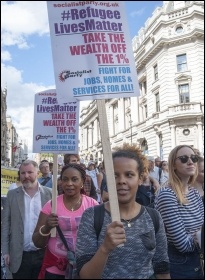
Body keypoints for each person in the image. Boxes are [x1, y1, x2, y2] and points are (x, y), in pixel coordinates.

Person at [75, 143, 170, 279]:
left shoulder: (153, 217)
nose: (121, 181)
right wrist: (105, 248)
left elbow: (162, 269)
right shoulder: (91, 216)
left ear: (140, 179)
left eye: (129, 175)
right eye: (115, 175)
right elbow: (85, 275)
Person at [32, 163, 98, 279]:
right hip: (55, 267)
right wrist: (47, 227)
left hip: (84, 268)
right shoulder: (51, 205)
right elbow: (37, 242)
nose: (69, 184)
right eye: (65, 179)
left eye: (74, 179)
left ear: (82, 182)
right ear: (60, 182)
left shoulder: (92, 205)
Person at [155, 145, 204, 279]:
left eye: (193, 158)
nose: (190, 162)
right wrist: (199, 235)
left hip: (198, 258)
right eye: (183, 159)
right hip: (180, 263)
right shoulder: (167, 194)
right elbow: (183, 244)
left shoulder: (193, 192)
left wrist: (197, 235)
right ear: (173, 165)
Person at [1, 160, 52, 279]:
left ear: (37, 173)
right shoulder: (12, 194)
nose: (26, 176)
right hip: (20, 255)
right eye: (23, 173)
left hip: (44, 254)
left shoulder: (49, 194)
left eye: (30, 172)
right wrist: (5, 251)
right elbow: (6, 225)